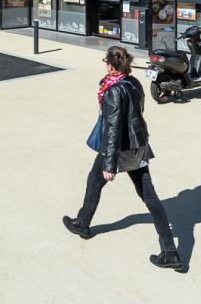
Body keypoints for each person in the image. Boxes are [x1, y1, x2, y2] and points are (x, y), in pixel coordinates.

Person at [63, 45, 182, 271]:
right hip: (137, 145)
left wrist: (109, 164)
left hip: (119, 148)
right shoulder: (134, 83)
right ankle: (170, 250)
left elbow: (113, 129)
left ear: (110, 65)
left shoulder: (113, 91)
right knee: (150, 196)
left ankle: (82, 224)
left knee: (94, 181)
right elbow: (138, 112)